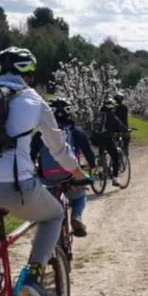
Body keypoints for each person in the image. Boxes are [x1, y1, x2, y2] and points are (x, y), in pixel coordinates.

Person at [0, 47, 88, 296]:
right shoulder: (34, 99)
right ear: (28, 74)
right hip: (17, 186)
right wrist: (77, 173)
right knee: (53, 215)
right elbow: (58, 148)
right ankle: (33, 277)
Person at [40, 97, 96, 237]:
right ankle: (76, 217)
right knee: (79, 196)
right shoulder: (76, 132)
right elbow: (88, 152)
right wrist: (91, 166)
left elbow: (30, 154)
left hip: (47, 177)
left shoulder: (42, 134)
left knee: (50, 203)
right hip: (71, 175)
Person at [91, 98, 129, 175]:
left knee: (101, 149)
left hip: (95, 138)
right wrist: (126, 130)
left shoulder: (98, 115)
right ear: (112, 108)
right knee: (115, 156)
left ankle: (101, 166)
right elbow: (120, 126)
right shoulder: (112, 116)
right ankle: (115, 177)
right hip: (107, 139)